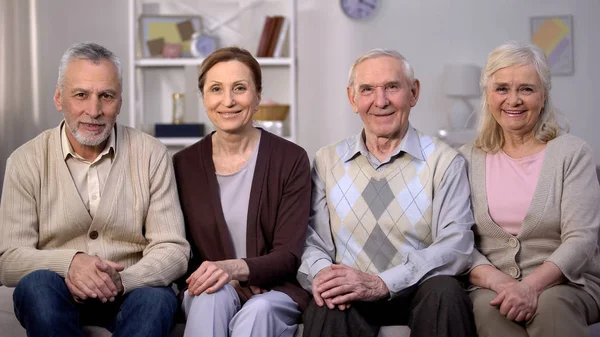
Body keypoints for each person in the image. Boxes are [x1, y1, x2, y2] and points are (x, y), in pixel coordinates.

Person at [0, 42, 190, 337]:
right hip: (58, 291)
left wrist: (121, 280)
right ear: (58, 98)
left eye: (106, 96)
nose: (94, 110)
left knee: (158, 299)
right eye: (81, 95)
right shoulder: (25, 161)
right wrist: (71, 263)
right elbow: (9, 258)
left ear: (120, 100)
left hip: (131, 289)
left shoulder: (152, 154)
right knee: (36, 286)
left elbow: (173, 249)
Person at [297, 48, 477, 337]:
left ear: (414, 93)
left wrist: (384, 283)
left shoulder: (445, 161)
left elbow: (456, 245)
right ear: (352, 98)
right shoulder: (327, 161)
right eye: (367, 89)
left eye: (392, 87)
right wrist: (322, 275)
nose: (380, 102)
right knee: (326, 302)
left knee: (446, 290)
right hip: (350, 293)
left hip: (419, 289)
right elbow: (311, 239)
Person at [461, 40, 600, 337]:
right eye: (502, 89)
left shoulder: (572, 153)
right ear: (487, 94)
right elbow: (458, 242)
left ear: (544, 94)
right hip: (490, 287)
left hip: (567, 284)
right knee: (489, 308)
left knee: (550, 305)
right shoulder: (463, 159)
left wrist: (529, 287)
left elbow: (582, 239)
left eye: (526, 89)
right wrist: (503, 284)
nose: (514, 100)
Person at [172, 46, 311, 337]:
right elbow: (180, 250)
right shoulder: (183, 164)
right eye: (216, 89)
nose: (228, 101)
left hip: (275, 291)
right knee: (212, 295)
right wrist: (224, 279)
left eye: (239, 88)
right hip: (210, 288)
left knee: (258, 310)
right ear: (203, 98)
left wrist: (236, 269)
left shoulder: (291, 159)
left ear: (258, 95)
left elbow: (289, 254)